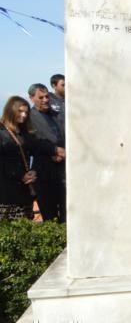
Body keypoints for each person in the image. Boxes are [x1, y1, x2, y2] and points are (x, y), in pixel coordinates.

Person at [0, 96, 54, 220]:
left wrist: (34, 171)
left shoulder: (26, 134)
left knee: (25, 224)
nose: (24, 115)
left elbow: (38, 154)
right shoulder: (2, 132)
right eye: (20, 111)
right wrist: (20, 175)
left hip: (24, 190)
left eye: (26, 112)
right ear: (10, 111)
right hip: (6, 190)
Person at [28, 83, 66, 222]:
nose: (45, 100)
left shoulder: (56, 115)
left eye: (46, 97)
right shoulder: (29, 118)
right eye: (41, 97)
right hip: (43, 173)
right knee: (49, 215)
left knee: (66, 213)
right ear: (31, 98)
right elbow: (31, 143)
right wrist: (52, 152)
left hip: (61, 171)